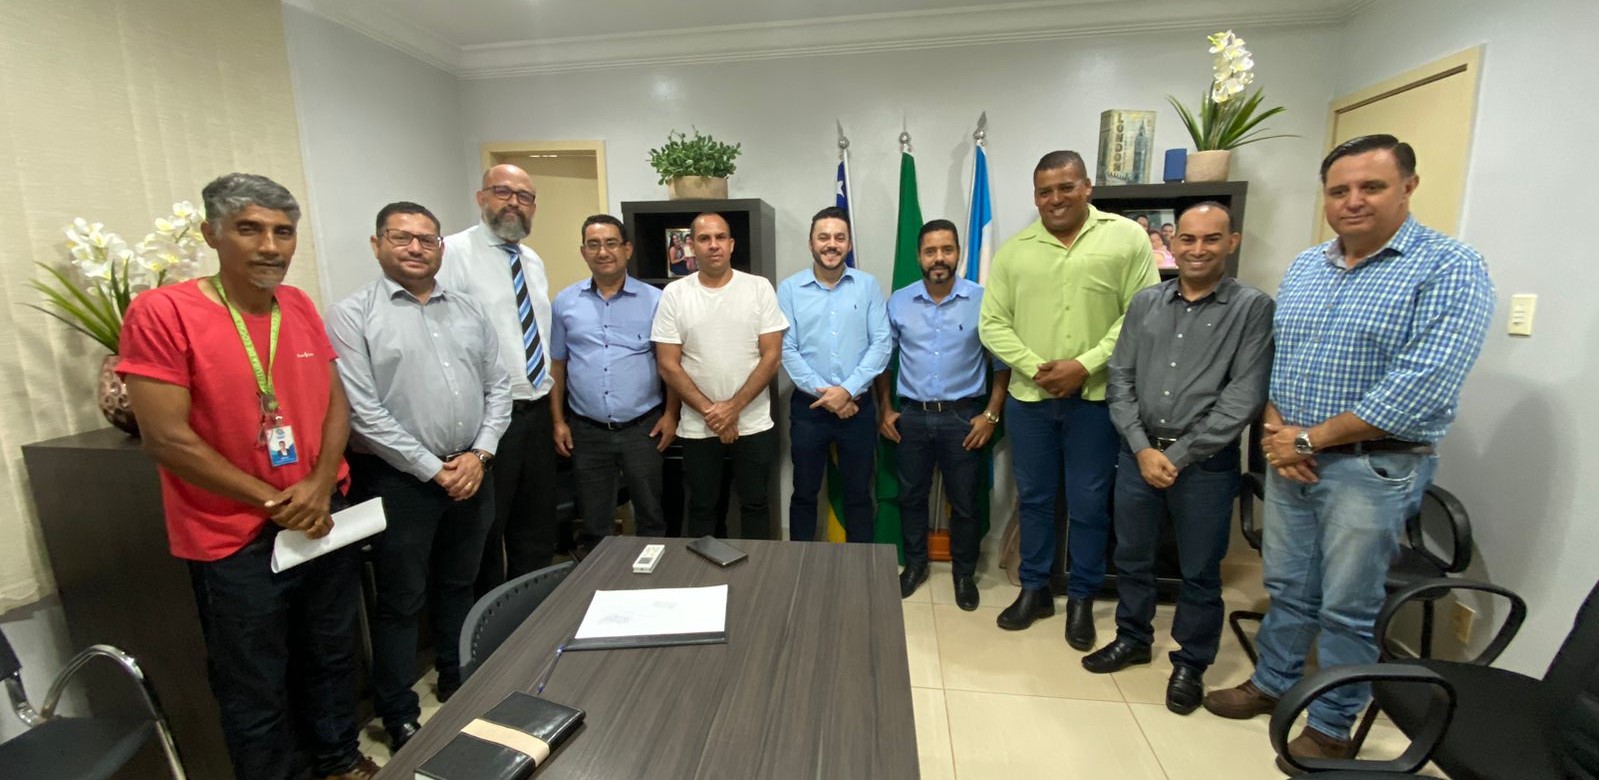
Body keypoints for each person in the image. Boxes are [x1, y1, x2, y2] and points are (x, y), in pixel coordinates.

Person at [1201, 135, 1494, 771]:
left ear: (1408, 187)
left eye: (1372, 187)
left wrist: (1309, 439)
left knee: (1347, 604)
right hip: (1291, 457)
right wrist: (1277, 432)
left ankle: (1333, 724)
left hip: (1371, 466)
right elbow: (1276, 359)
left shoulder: (1449, 267)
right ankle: (1274, 683)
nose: (1353, 200)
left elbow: (1422, 384)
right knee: (1288, 586)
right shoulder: (1309, 266)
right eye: (1339, 190)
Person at [119, 173, 377, 780]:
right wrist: (275, 501)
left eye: (283, 232)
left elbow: (335, 403)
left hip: (321, 519)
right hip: (233, 537)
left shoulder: (299, 306)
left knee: (332, 655)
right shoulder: (163, 312)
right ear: (211, 234)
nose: (269, 246)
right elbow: (166, 437)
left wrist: (317, 487)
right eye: (249, 229)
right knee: (254, 685)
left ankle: (339, 761)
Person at [328, 202, 511, 752]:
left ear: (440, 248)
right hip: (399, 481)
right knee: (401, 600)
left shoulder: (469, 309)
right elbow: (362, 412)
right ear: (377, 244)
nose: (415, 248)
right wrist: (434, 469)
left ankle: (458, 677)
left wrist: (480, 454)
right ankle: (398, 711)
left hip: (472, 470)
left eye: (427, 240)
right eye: (401, 237)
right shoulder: (352, 315)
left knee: (460, 583)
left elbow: (499, 386)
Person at [1086, 202, 1273, 717]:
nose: (1197, 249)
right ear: (1172, 243)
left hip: (1205, 464)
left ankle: (1191, 662)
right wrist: (1142, 447)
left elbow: (1244, 396)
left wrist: (1179, 454)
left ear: (1232, 242)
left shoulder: (1252, 308)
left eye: (1211, 239)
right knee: (1132, 556)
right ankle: (1133, 637)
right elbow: (1120, 379)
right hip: (1139, 453)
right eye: (1187, 239)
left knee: (1199, 570)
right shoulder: (1146, 303)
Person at [979, 150, 1159, 649]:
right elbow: (992, 323)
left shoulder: (1126, 238)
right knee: (1034, 500)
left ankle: (1080, 598)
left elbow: (1142, 314)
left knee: (1088, 505)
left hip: (1096, 401)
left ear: (1087, 188)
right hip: (1030, 400)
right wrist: (1039, 368)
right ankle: (1035, 590)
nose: (1055, 199)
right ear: (1035, 196)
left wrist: (1085, 365)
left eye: (1066, 187)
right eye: (1045, 191)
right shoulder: (1015, 251)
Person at [438, 164, 559, 595]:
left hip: (536, 413)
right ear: (481, 197)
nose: (514, 203)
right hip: (489, 420)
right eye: (503, 192)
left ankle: (533, 611)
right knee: (487, 532)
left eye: (524, 196)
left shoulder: (532, 261)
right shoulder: (452, 253)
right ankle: (490, 622)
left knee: (536, 527)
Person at [876, 219, 1010, 608]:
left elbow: (1002, 363)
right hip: (912, 417)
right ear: (919, 256)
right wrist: (885, 409)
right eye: (930, 251)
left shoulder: (983, 299)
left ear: (958, 254)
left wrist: (991, 415)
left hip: (963, 418)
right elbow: (885, 362)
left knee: (965, 502)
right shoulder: (899, 301)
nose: (939, 258)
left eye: (946, 250)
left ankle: (963, 574)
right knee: (911, 497)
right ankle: (915, 566)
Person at [652, 212, 788, 539]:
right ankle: (705, 570)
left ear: (731, 244)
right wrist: (714, 413)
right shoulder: (675, 293)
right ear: (691, 246)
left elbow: (772, 357)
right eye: (704, 238)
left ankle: (758, 570)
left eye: (720, 237)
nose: (713, 245)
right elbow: (668, 364)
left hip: (752, 422)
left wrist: (732, 409)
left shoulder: (758, 288)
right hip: (698, 425)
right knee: (703, 507)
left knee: (756, 504)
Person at [551, 215, 677, 549]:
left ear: (627, 249)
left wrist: (671, 415)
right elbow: (558, 366)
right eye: (593, 245)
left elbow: (671, 364)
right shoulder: (564, 303)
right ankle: (602, 578)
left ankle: (655, 576)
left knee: (651, 516)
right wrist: (558, 421)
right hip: (586, 430)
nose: (603, 252)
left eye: (610, 243)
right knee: (595, 523)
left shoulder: (656, 300)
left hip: (643, 427)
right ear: (583, 252)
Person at [776, 207, 891, 543]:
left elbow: (882, 343)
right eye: (823, 237)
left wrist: (848, 390)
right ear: (811, 243)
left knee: (858, 493)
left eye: (839, 238)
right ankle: (801, 564)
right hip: (809, 409)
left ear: (849, 244)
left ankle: (860, 566)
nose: (831, 244)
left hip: (858, 408)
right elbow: (787, 349)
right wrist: (828, 396)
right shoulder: (790, 289)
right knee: (804, 492)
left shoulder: (867, 286)